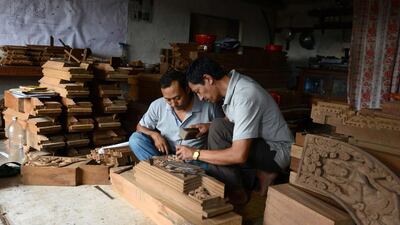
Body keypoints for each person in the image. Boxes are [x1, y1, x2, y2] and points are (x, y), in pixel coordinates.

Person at [176, 57, 293, 203]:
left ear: (208, 79)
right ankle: (259, 174)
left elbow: (239, 155)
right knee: (217, 126)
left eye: (198, 91)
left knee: (219, 131)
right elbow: (231, 120)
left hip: (277, 152)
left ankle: (237, 190)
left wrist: (195, 154)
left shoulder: (245, 95)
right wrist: (208, 126)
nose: (200, 98)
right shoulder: (233, 85)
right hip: (263, 145)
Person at [129, 69, 223, 160]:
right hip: (168, 156)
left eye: (177, 98)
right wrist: (154, 135)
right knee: (135, 139)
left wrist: (209, 126)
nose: (173, 104)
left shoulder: (209, 104)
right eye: (168, 99)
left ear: (187, 89)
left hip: (195, 158)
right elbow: (140, 127)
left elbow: (225, 129)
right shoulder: (158, 105)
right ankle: (160, 170)